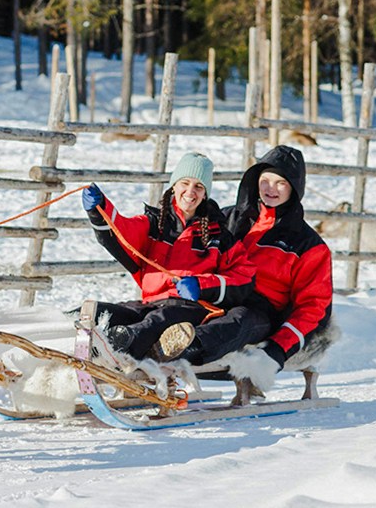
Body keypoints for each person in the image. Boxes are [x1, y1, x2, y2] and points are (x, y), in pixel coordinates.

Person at [81, 151, 254, 362]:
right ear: (174, 186)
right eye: (185, 183)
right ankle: (62, 336)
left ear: (205, 194)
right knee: (109, 313)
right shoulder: (155, 224)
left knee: (157, 321)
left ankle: (113, 353)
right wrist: (99, 209)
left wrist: (202, 285)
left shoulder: (218, 235)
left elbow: (244, 277)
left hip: (190, 309)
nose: (190, 192)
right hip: (151, 303)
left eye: (198, 187)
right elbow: (123, 231)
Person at [211, 144, 333, 382]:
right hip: (212, 302)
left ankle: (176, 354)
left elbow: (313, 307)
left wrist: (277, 350)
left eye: (281, 183)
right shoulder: (229, 219)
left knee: (237, 320)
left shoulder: (308, 244)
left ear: (294, 189)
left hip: (260, 319)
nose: (271, 189)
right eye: (265, 180)